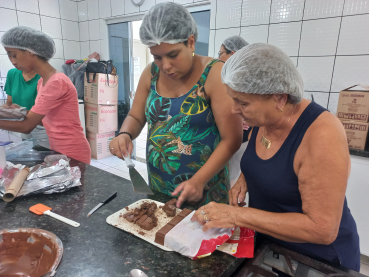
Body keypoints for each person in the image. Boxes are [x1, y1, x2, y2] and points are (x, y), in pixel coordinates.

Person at [192, 43, 360, 271]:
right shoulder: (262, 120)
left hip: (317, 261)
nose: (234, 109)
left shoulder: (322, 135)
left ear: (279, 98)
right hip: (272, 247)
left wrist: (237, 216)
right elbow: (269, 161)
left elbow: (322, 229)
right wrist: (245, 178)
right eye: (234, 99)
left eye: (243, 102)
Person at [109, 2, 242, 207]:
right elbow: (135, 117)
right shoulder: (151, 73)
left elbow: (232, 139)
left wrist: (199, 180)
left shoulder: (214, 74)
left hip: (204, 190)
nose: (166, 66)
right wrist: (124, 134)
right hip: (158, 185)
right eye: (157, 57)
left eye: (172, 55)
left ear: (190, 42)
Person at [0, 26, 91, 164]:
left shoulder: (56, 82)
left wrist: (23, 118)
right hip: (58, 149)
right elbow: (44, 118)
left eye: (14, 54)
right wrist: (19, 113)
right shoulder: (43, 81)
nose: (13, 61)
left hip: (72, 150)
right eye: (9, 56)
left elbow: (27, 126)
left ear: (31, 51)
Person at [218, 36, 250, 187]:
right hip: (240, 138)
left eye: (220, 53)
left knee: (232, 178)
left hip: (241, 138)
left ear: (232, 54)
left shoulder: (238, 80)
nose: (218, 58)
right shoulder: (227, 78)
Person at [3, 68, 49, 144]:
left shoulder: (47, 77)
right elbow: (9, 103)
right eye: (10, 56)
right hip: (22, 126)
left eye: (15, 56)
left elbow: (47, 116)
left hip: (43, 129)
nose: (13, 61)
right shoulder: (12, 74)